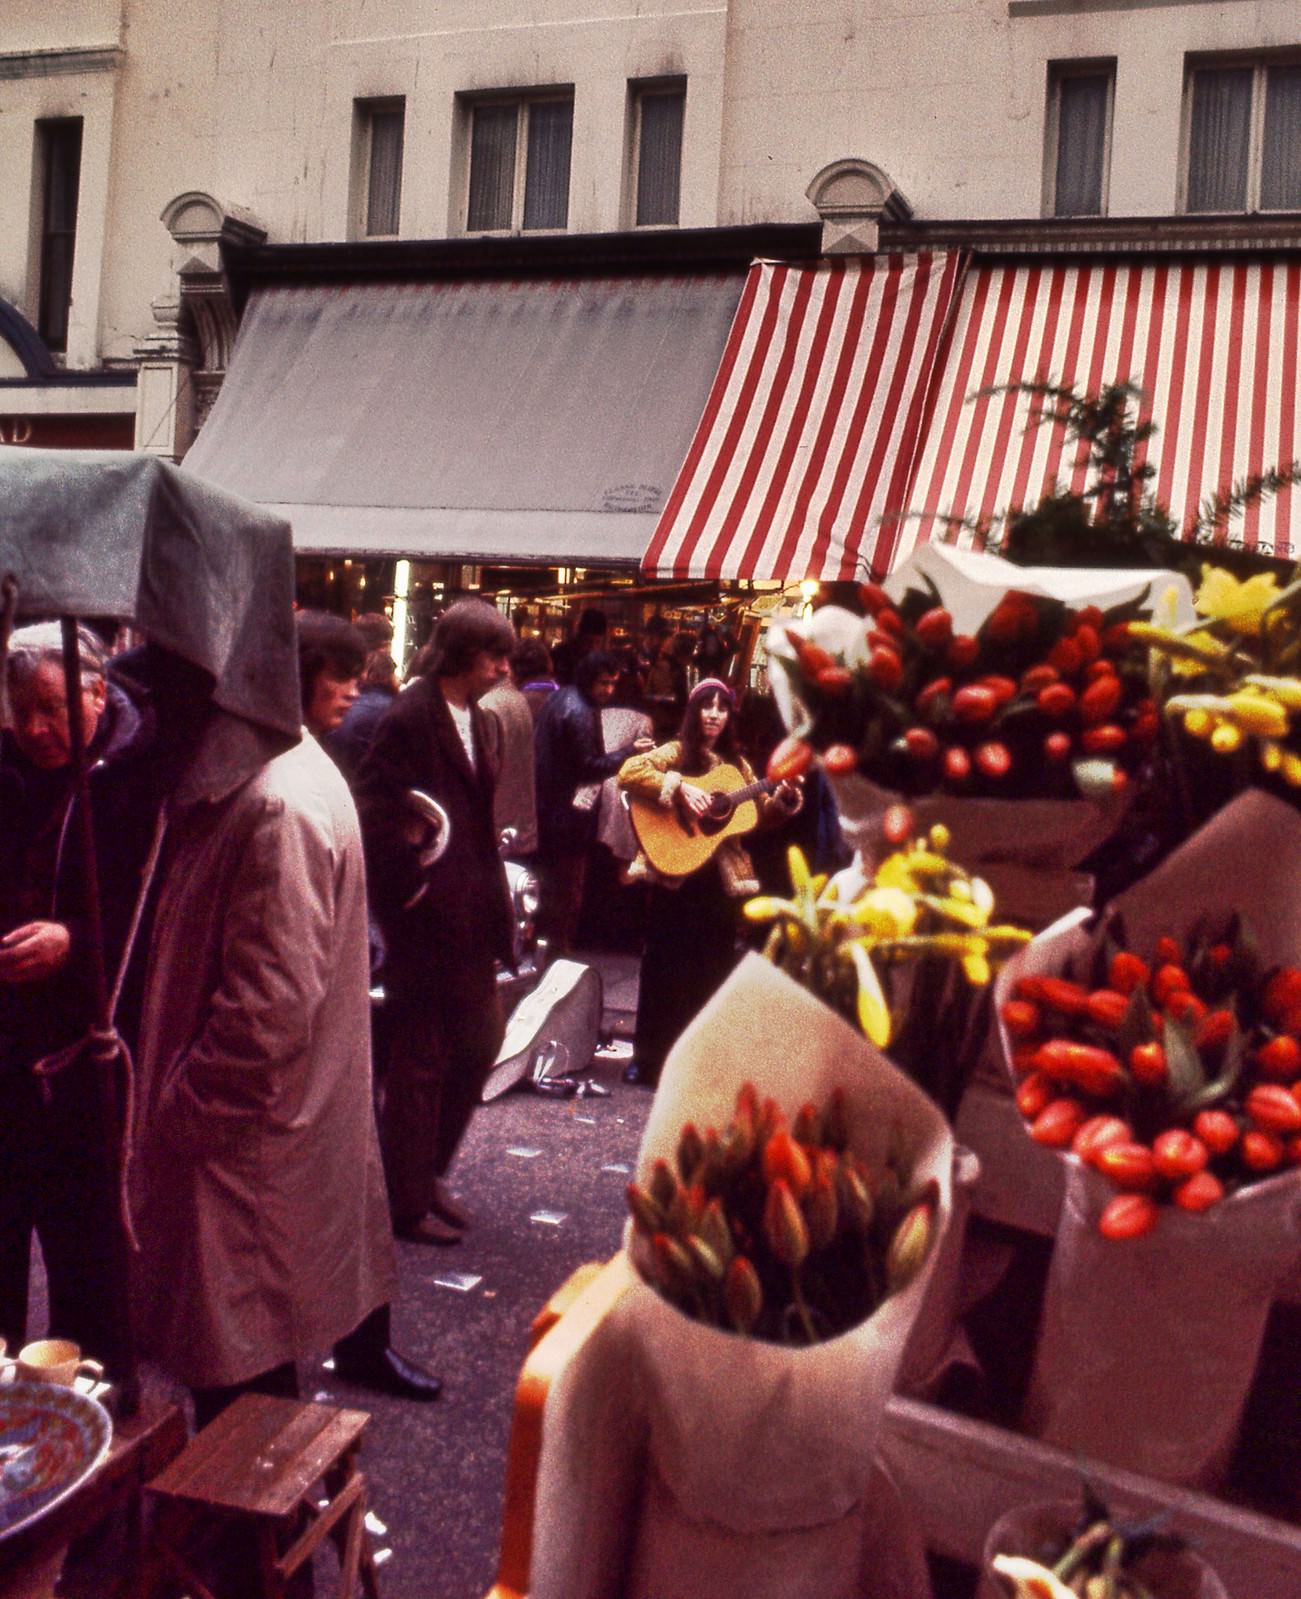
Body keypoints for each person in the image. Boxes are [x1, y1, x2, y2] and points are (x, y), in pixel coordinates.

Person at [130, 652, 400, 1427]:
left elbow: (265, 1015)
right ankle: (244, 1535)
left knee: (241, 1373)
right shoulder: (272, 773)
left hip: (244, 1150)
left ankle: (244, 1543)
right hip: (256, 1141)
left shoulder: (275, 800)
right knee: (245, 1363)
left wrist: (182, 1111)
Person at [0, 624, 159, 1379]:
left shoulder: (138, 775)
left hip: (90, 1059)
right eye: (20, 707)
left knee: (88, 1261)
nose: (35, 727)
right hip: (4, 1053)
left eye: (54, 707)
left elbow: (154, 908)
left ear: (99, 692)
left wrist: (77, 938)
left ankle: (91, 1420)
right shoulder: (6, 769)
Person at [294, 612, 442, 1401]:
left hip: (345, 979)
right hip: (307, 1006)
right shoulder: (291, 766)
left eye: (359, 670)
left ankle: (361, 1341)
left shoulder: (332, 746)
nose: (355, 685)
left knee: (357, 1175)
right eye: (338, 671)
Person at [355, 599, 516, 1246]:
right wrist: (411, 888)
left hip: (471, 916)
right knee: (420, 1062)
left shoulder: (474, 715)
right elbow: (370, 805)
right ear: (461, 655)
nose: (505, 667)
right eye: (494, 655)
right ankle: (406, 1199)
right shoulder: (411, 713)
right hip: (427, 925)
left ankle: (427, 1173)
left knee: (479, 1043)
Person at [617, 678, 801, 1089]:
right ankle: (647, 1059)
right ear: (693, 711)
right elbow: (629, 772)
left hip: (718, 884)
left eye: (721, 707)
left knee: (709, 971)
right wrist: (678, 786)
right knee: (663, 967)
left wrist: (784, 800)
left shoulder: (739, 767)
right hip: (676, 875)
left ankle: (697, 1062)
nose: (714, 714)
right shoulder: (678, 751)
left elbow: (757, 817)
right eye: (706, 706)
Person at [533, 650, 651, 953]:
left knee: (550, 893)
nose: (609, 691)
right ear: (589, 679)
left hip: (550, 813)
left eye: (613, 684)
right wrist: (629, 752)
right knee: (564, 894)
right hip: (566, 820)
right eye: (603, 683)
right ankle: (556, 960)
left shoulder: (564, 697)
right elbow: (589, 766)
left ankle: (548, 953)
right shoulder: (579, 710)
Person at [480, 649, 539, 857]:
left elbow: (484, 774)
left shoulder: (487, 706)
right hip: (519, 823)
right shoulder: (517, 698)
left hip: (497, 827)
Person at [551, 607, 608, 686]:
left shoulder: (603, 662)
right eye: (588, 641)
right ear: (579, 637)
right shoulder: (560, 656)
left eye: (598, 642)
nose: (593, 647)